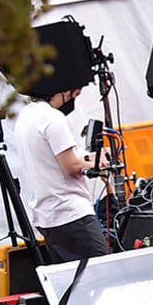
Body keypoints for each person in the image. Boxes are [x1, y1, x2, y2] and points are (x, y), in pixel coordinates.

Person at [13, 81, 110, 265]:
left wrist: (89, 158)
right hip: (71, 213)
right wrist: (99, 162)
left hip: (47, 217)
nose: (75, 98)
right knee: (103, 271)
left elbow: (52, 159)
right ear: (65, 89)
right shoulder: (52, 117)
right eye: (76, 93)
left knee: (70, 282)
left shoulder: (26, 116)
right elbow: (71, 166)